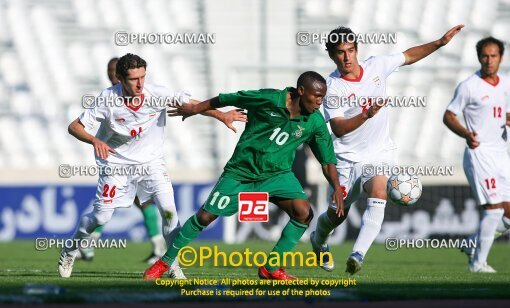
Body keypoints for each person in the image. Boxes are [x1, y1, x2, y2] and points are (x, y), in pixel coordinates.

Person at [58, 53, 246, 278]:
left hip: (151, 164)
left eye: (143, 77)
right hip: (116, 163)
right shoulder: (107, 99)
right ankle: (70, 248)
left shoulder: (156, 94)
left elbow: (194, 104)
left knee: (169, 213)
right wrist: (95, 140)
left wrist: (221, 115)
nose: (139, 84)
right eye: (133, 79)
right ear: (120, 78)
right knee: (101, 218)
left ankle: (173, 265)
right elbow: (74, 127)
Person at [143, 71, 344, 280]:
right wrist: (195, 108)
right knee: (205, 216)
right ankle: (164, 263)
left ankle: (271, 268)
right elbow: (227, 98)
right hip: (241, 172)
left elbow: (327, 161)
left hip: (277, 175)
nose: (320, 102)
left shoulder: (315, 122)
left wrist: (337, 188)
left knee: (303, 212)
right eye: (317, 96)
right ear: (301, 91)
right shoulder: (268, 98)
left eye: (323, 97)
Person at [309, 24, 463, 275]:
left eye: (350, 50)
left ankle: (357, 255)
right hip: (346, 159)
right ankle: (319, 239)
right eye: (340, 52)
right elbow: (338, 129)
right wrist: (366, 114)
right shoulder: (332, 87)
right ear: (331, 55)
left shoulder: (376, 66)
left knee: (379, 192)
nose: (346, 57)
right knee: (337, 215)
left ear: (357, 49)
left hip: (379, 153)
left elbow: (409, 56)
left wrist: (439, 43)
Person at [76, 57, 168, 265]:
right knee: (109, 205)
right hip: (115, 160)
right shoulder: (108, 97)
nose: (111, 74)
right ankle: (157, 247)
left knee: (139, 202)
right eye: (109, 71)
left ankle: (158, 247)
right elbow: (78, 125)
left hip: (139, 160)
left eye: (113, 70)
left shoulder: (142, 94)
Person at [443, 36, 510, 273]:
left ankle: (472, 242)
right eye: (484, 56)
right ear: (479, 57)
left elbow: (504, 114)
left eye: (493, 56)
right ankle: (477, 263)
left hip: (502, 154)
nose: (489, 60)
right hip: (479, 154)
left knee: (508, 217)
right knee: (493, 210)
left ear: (501, 57)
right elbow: (448, 116)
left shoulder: (506, 83)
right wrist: (465, 133)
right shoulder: (469, 86)